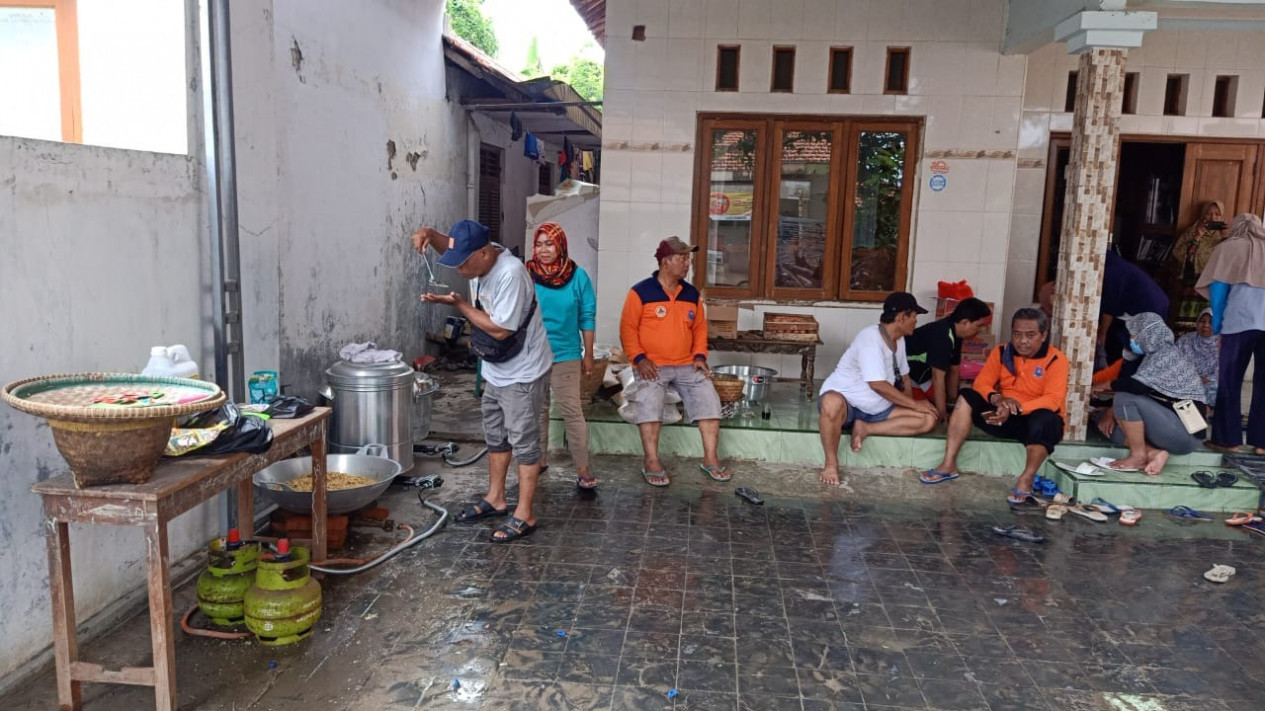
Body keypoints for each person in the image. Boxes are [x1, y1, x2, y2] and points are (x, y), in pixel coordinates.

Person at [413, 220, 553, 542]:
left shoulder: (510, 274)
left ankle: (526, 513)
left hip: (523, 371)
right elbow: (448, 245)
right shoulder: (476, 261)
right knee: (496, 435)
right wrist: (428, 234)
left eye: (464, 263)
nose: (459, 269)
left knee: (524, 441)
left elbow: (502, 329)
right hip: (496, 367)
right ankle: (496, 498)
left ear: (485, 253)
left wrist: (459, 305)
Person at [923, 308, 1068, 504]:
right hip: (1002, 417)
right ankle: (948, 465)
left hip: (1034, 424)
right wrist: (998, 400)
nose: (1022, 341)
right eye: (1017, 334)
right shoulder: (1001, 352)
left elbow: (1052, 400)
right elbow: (982, 384)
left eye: (1030, 335)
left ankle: (1026, 480)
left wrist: (1016, 407)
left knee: (1047, 418)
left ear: (1043, 336)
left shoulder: (1056, 359)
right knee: (967, 395)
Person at [619, 236, 728, 487]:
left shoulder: (691, 294)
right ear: (666, 262)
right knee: (649, 400)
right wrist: (639, 359)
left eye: (688, 258)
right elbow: (627, 330)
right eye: (682, 258)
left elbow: (700, 329)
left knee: (708, 395)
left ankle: (710, 458)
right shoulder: (640, 292)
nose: (687, 263)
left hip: (687, 364)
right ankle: (651, 461)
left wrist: (700, 356)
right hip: (653, 365)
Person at [818, 292, 939, 485]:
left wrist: (912, 407)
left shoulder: (898, 340)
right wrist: (915, 405)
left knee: (928, 419)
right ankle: (831, 464)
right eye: (914, 316)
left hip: (878, 409)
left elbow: (905, 378)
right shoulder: (870, 338)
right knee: (830, 402)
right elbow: (877, 384)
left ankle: (866, 427)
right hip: (847, 404)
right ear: (901, 317)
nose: (916, 321)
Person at [528, 222, 598, 490]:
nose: (543, 250)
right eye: (539, 244)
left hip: (566, 354)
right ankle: (539, 459)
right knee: (537, 410)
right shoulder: (527, 273)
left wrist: (588, 354)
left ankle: (582, 468)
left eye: (549, 243)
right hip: (532, 354)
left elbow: (587, 316)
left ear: (560, 246)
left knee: (572, 411)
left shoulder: (578, 277)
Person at [1092, 313, 1207, 474]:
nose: (1132, 338)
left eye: (1134, 334)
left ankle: (1138, 456)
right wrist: (1109, 411)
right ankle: (1154, 453)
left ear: (1146, 334)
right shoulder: (1152, 356)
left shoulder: (1166, 355)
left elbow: (1137, 387)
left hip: (1186, 434)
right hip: (1169, 428)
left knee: (1124, 398)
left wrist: (1106, 385)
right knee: (1107, 424)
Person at [1196, 213, 1265, 455]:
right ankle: (1262, 444)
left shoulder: (1228, 248)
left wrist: (1217, 329)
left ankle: (1227, 440)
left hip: (1238, 326)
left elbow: (1218, 294)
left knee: (1229, 382)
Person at [906, 297, 993, 422]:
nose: (979, 331)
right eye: (978, 326)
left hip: (923, 374)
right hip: (909, 374)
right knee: (932, 411)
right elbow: (938, 377)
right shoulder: (943, 337)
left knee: (952, 404)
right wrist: (943, 413)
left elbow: (954, 369)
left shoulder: (956, 333)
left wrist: (952, 401)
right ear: (965, 322)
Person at [1100, 250, 1170, 365]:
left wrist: (1102, 336)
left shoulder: (1111, 270)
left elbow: (1109, 308)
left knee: (1122, 349)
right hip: (1155, 307)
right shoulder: (1117, 265)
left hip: (1147, 311)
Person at [1173, 201, 1227, 284]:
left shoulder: (1226, 235)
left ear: (1222, 216)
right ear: (1203, 215)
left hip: (1216, 281)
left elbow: (1231, 259)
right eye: (1208, 214)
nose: (1213, 218)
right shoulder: (1191, 232)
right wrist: (1197, 237)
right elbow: (1178, 253)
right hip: (1192, 280)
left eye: (1217, 214)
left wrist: (1226, 239)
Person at [1176, 308, 1220, 406]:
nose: (1206, 325)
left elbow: (1220, 374)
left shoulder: (1224, 345)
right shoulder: (1185, 340)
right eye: (1202, 321)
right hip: (1184, 380)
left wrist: (1197, 380)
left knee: (1218, 396)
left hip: (1211, 383)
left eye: (1211, 322)